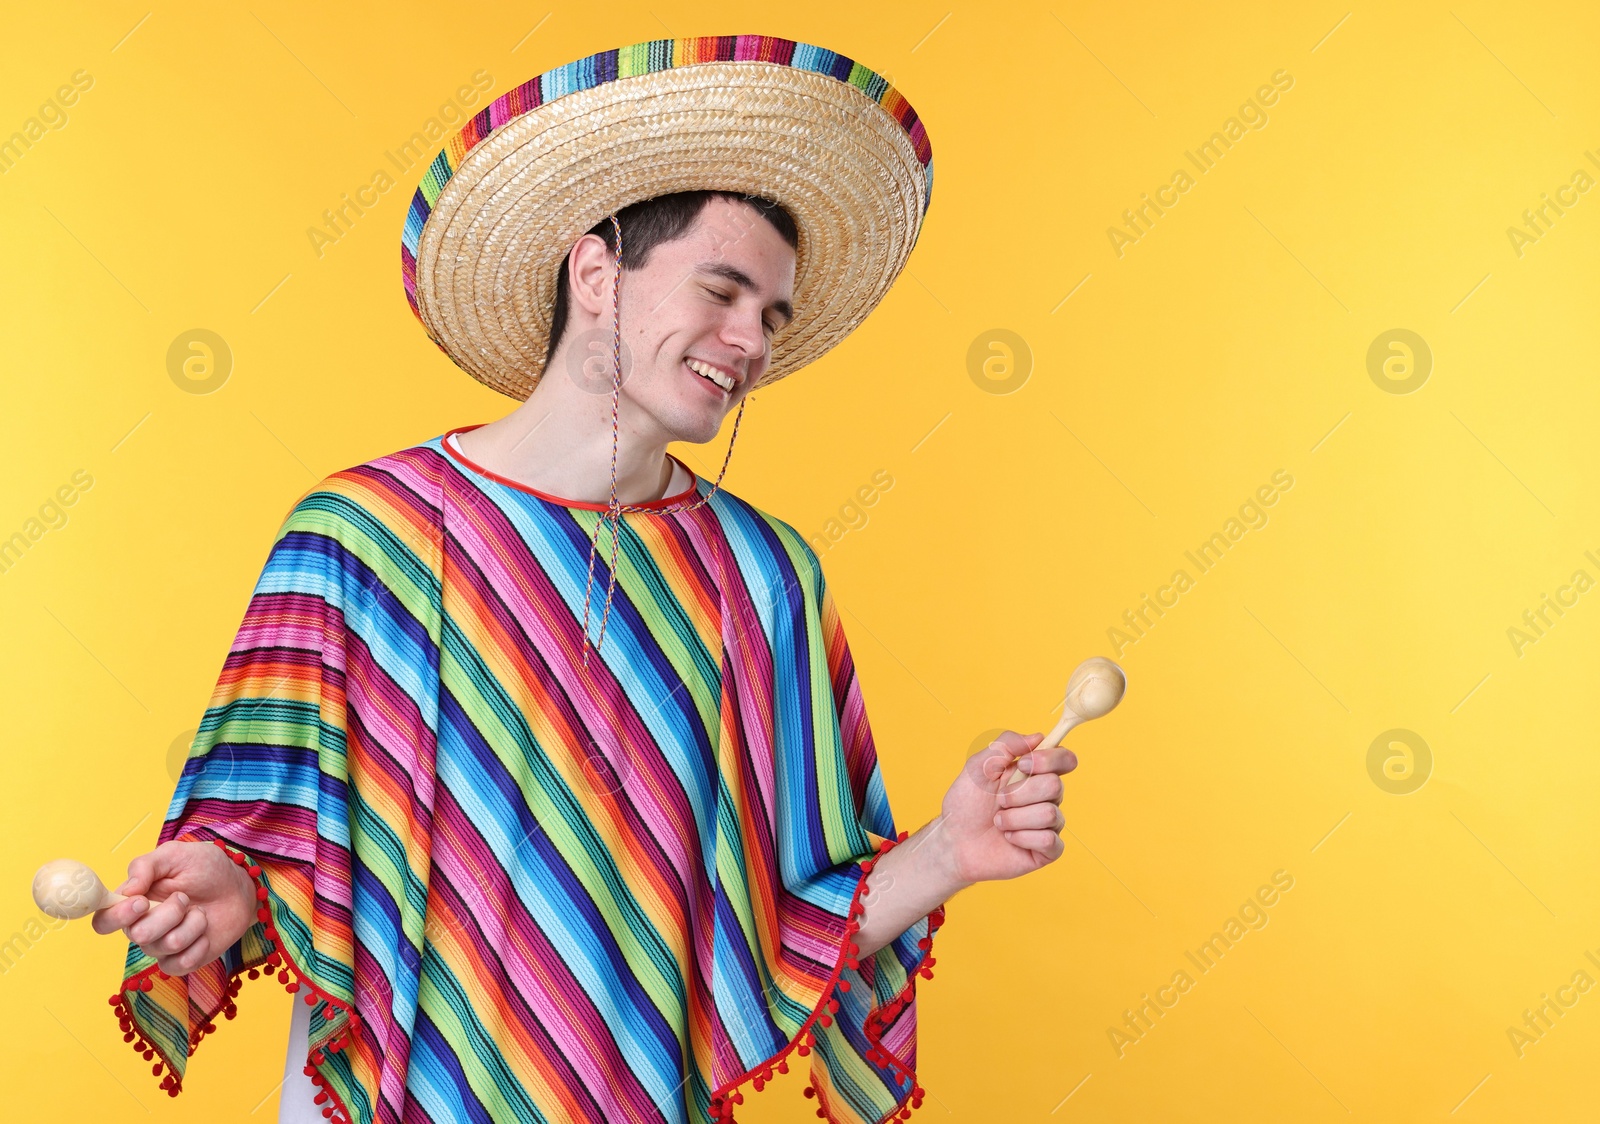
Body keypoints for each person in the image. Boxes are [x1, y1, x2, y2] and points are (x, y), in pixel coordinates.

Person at [92, 35, 1080, 1124]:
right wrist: (221, 895)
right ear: (596, 271)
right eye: (723, 289)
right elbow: (267, 852)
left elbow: (788, 926)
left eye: (774, 315)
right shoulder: (361, 539)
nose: (750, 340)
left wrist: (950, 849)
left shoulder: (763, 578)